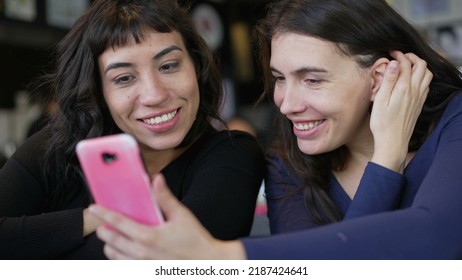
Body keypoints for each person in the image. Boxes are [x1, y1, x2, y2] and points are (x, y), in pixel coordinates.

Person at [91, 0, 462, 260]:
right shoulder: (289, 161)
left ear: (380, 77)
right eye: (280, 79)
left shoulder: (455, 120)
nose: (286, 104)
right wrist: (386, 158)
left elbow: (436, 238)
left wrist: (221, 256)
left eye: (312, 80)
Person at [0, 0, 265, 259]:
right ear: (99, 92)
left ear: (196, 67)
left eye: (169, 66)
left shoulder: (233, 153)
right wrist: (92, 218)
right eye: (124, 78)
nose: (154, 95)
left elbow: (161, 263)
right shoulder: (57, 147)